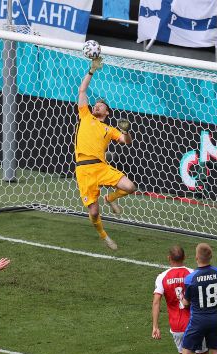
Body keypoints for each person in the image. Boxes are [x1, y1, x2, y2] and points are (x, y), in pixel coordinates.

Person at [75, 55, 135, 250]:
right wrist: (91, 70)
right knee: (93, 212)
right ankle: (104, 235)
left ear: (107, 112)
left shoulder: (110, 129)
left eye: (101, 105)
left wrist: (126, 132)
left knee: (130, 187)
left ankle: (110, 198)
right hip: (84, 170)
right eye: (96, 103)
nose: (97, 105)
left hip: (100, 167)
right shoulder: (85, 115)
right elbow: (82, 90)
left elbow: (126, 142)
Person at [151, 245, 217, 354]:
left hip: (177, 326)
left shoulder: (162, 277)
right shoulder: (192, 273)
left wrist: (155, 326)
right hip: (196, 322)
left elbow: (156, 301)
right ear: (185, 257)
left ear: (169, 258)